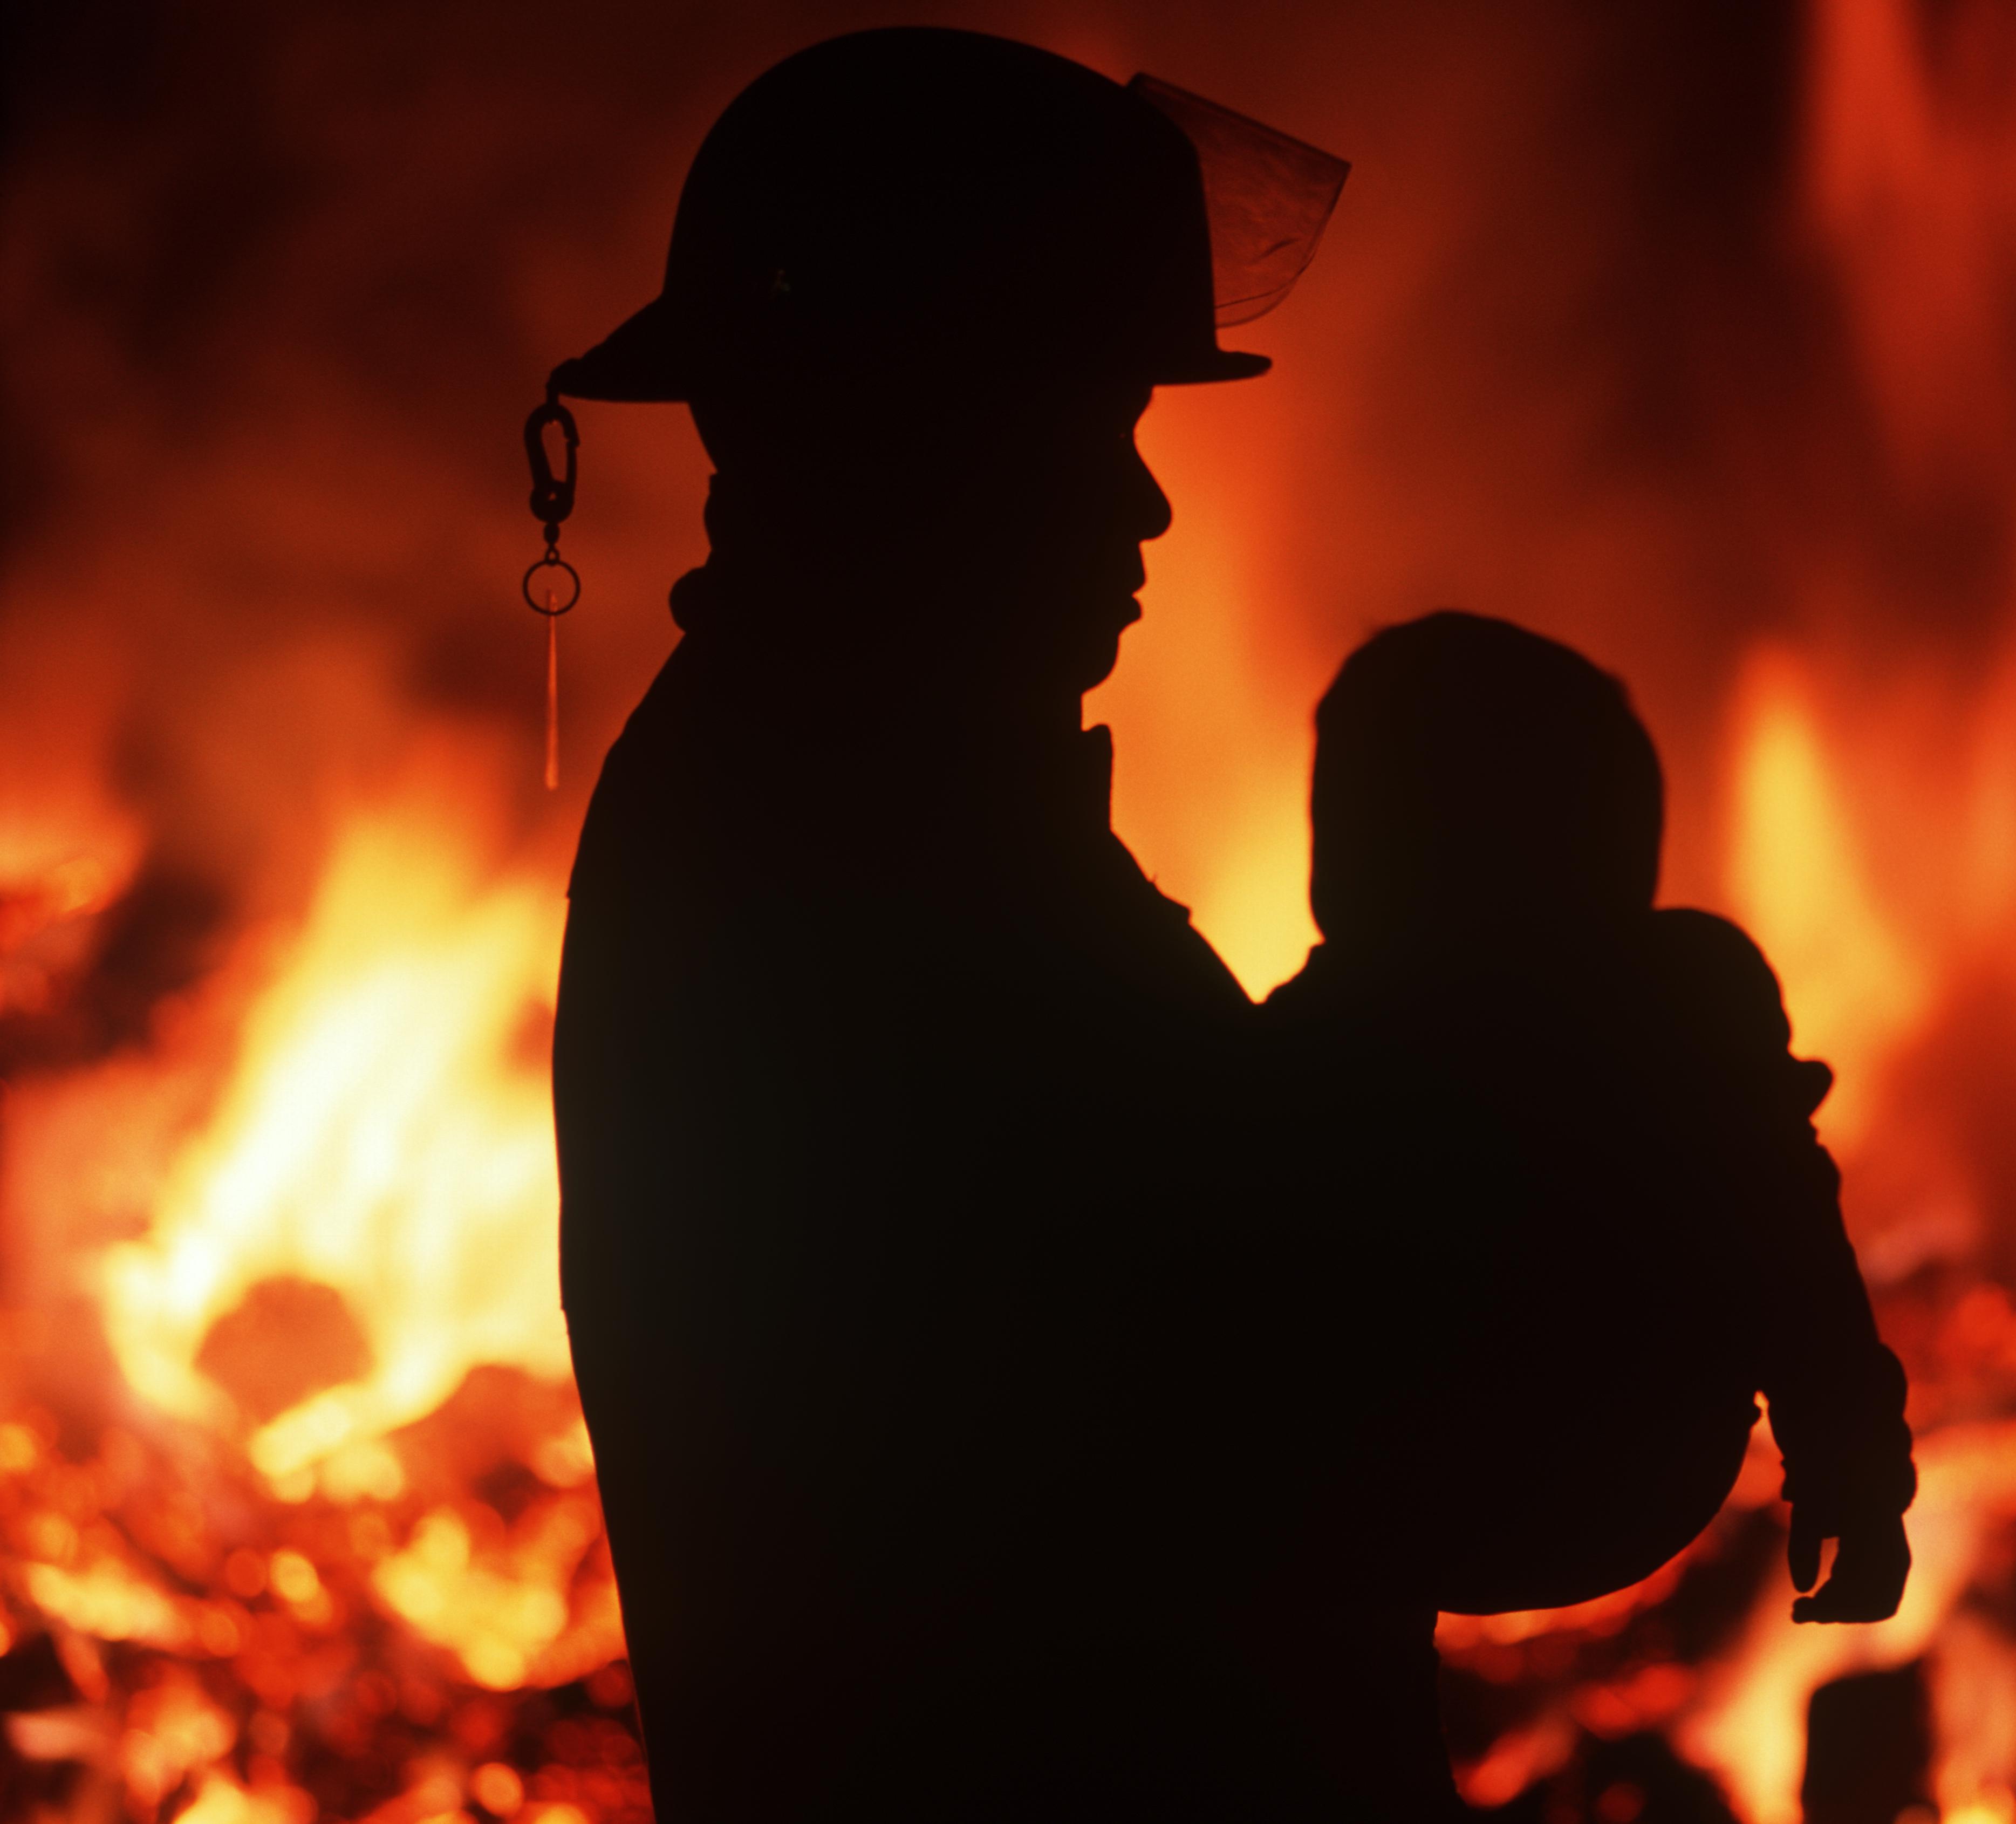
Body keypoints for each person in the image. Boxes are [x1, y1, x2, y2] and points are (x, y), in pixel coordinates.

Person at [546, 29, 1349, 1822]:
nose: (1145, 504)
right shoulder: (866, 874)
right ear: (918, 426)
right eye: (1096, 421)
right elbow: (1281, 1395)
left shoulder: (850, 804)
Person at [1265, 612, 1916, 1625]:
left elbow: (1782, 1221)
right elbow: (1791, 1232)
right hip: (1621, 1479)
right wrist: (1853, 1461)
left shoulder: (1305, 1048)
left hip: (1408, 1500)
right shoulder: (1686, 996)